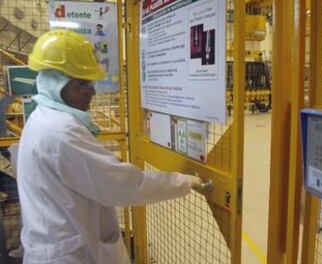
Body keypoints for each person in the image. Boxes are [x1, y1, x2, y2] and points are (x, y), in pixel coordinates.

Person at [16, 29, 204, 264]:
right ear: (55, 83)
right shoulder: (61, 132)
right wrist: (184, 181)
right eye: (82, 84)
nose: (92, 92)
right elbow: (126, 185)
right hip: (70, 256)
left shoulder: (42, 118)